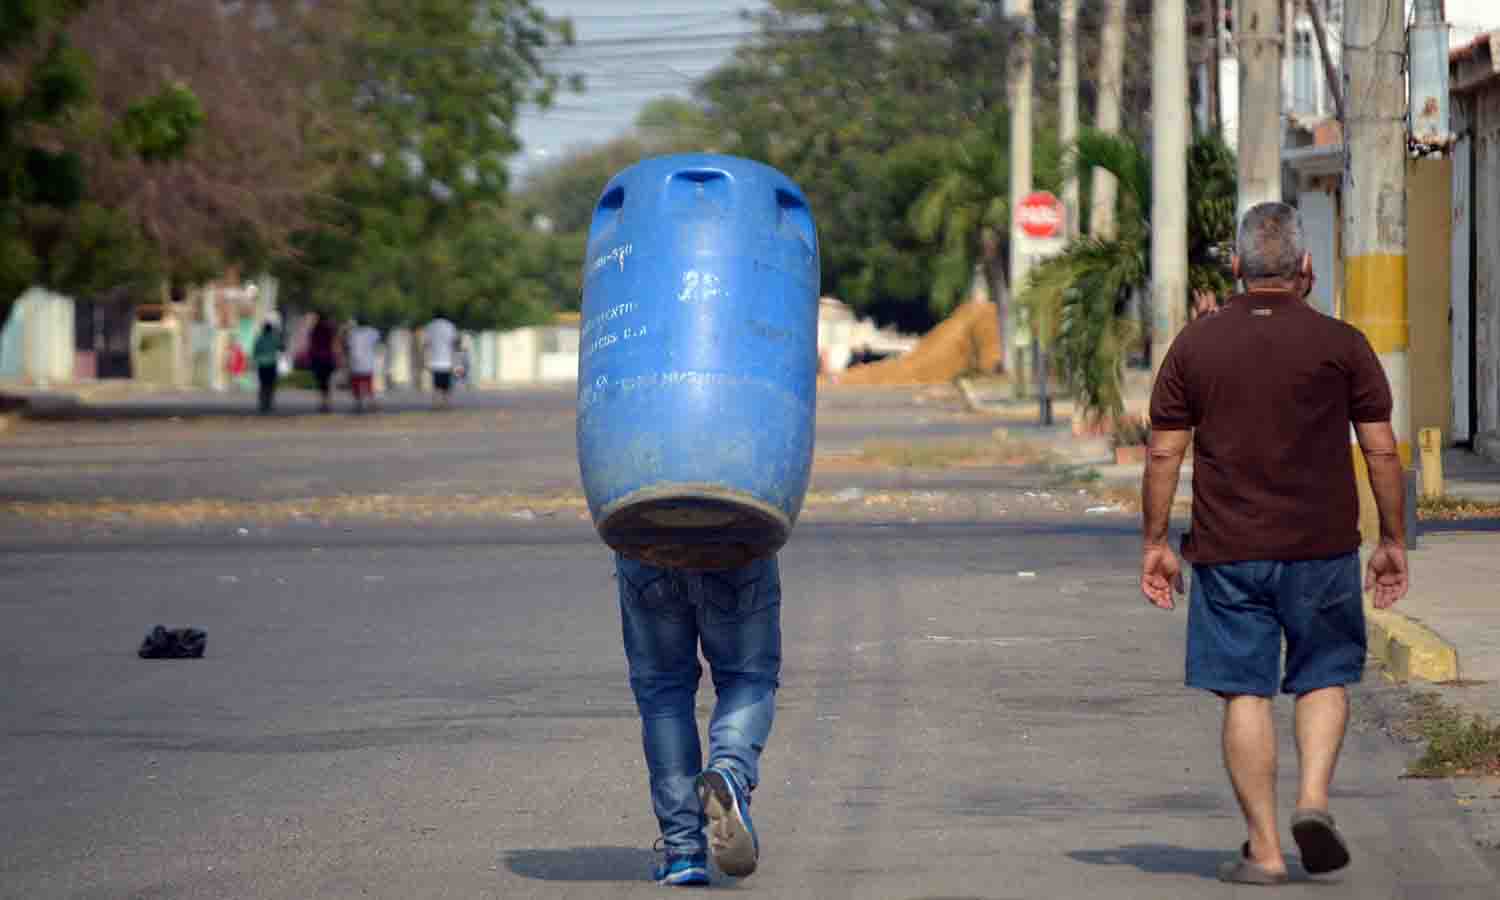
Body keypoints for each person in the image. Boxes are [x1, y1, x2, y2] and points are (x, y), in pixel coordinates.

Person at [1140, 201, 1409, 885]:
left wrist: (1155, 544)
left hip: (1228, 552)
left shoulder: (1196, 346)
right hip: (1320, 548)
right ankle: (1312, 801)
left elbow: (1164, 456)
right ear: (1306, 268)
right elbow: (1380, 453)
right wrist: (1392, 539)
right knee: (1323, 675)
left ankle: (1263, 850)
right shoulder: (1342, 344)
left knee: (1244, 691)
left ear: (1235, 268)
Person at [617, 555, 780, 886]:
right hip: (734, 534)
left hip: (644, 536)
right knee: (747, 676)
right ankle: (730, 770)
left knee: (663, 689)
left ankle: (683, 852)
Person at [345, 320, 382, 414]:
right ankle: (371, 403)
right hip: (368, 362)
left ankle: (359, 404)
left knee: (357, 385)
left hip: (355, 362)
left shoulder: (352, 333)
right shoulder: (373, 332)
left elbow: (348, 346)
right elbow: (377, 344)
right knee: (368, 384)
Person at [423, 315, 458, 409]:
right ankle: (446, 403)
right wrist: (455, 359)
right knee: (446, 385)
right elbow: (454, 343)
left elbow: (426, 344)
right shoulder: (450, 326)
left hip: (435, 361)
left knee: (436, 385)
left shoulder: (430, 326)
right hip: (447, 361)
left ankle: (435, 403)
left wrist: (426, 359)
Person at [308, 313, 339, 414]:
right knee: (327, 382)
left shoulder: (315, 329)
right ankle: (327, 403)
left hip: (318, 358)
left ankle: (324, 403)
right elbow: (334, 343)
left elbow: (311, 344)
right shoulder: (329, 329)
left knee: (322, 382)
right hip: (327, 358)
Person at [251, 322, 283, 414]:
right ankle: (269, 403)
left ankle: (262, 403)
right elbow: (281, 347)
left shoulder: (259, 339)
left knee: (263, 384)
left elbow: (255, 351)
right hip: (272, 364)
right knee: (271, 384)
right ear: (271, 329)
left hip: (262, 365)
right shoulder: (274, 338)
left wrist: (255, 361)